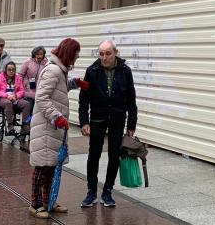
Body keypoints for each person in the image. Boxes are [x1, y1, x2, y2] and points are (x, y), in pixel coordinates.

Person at [28, 38, 89, 220]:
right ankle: (35, 204)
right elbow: (42, 97)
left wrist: (74, 83)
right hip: (46, 128)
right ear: (69, 54)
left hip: (53, 129)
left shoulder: (59, 70)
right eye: (75, 55)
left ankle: (49, 201)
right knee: (41, 168)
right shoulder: (53, 70)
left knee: (51, 168)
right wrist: (57, 117)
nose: (76, 58)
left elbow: (58, 89)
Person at [79, 39, 138, 208]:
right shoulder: (92, 71)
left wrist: (131, 125)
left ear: (115, 53)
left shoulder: (125, 71)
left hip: (118, 118)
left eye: (108, 54)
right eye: (101, 54)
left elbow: (131, 99)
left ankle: (107, 191)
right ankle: (91, 191)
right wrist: (84, 121)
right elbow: (84, 99)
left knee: (114, 155)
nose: (104, 57)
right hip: (97, 118)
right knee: (94, 155)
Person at [0, 61, 31, 134]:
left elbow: (22, 91)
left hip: (14, 98)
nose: (11, 71)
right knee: (8, 103)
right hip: (1, 98)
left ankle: (25, 126)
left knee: (27, 104)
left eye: (13, 69)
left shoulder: (18, 78)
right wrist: (7, 96)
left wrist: (15, 96)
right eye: (9, 69)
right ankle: (10, 126)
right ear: (5, 70)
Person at [18, 46, 48, 116]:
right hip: (28, 91)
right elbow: (20, 75)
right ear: (34, 54)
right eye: (37, 54)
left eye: (41, 54)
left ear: (44, 54)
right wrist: (21, 87)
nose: (39, 56)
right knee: (29, 108)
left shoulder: (47, 64)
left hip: (40, 92)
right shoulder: (28, 62)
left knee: (37, 113)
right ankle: (25, 125)